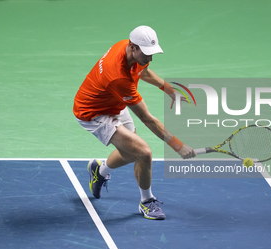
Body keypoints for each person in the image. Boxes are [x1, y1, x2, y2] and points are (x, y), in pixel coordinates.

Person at [73, 25, 196, 220]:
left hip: (113, 102)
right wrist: (178, 145)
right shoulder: (119, 78)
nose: (150, 58)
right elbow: (147, 118)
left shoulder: (127, 48)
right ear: (133, 47)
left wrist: (170, 91)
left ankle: (100, 170)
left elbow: (144, 72)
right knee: (143, 152)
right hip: (93, 112)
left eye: (152, 53)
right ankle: (147, 202)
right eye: (146, 53)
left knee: (132, 153)